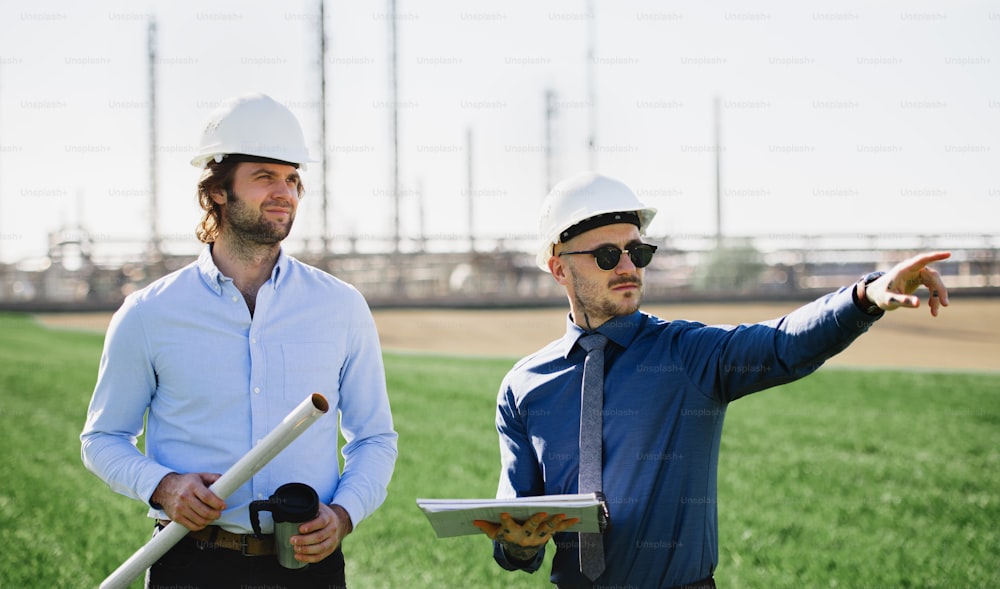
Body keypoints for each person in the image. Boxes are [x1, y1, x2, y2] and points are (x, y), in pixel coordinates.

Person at [472, 172, 950, 588]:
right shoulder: (524, 387)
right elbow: (517, 528)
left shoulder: (689, 354)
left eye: (638, 252)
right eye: (606, 255)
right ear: (559, 268)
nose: (627, 267)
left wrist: (865, 297)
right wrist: (516, 547)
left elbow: (783, 343)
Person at [80, 92, 398, 588]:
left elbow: (374, 438)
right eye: (264, 176)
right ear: (219, 190)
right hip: (190, 563)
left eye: (292, 178)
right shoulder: (150, 312)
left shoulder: (341, 307)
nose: (285, 192)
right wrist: (163, 486)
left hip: (308, 567)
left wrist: (343, 515)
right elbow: (101, 439)